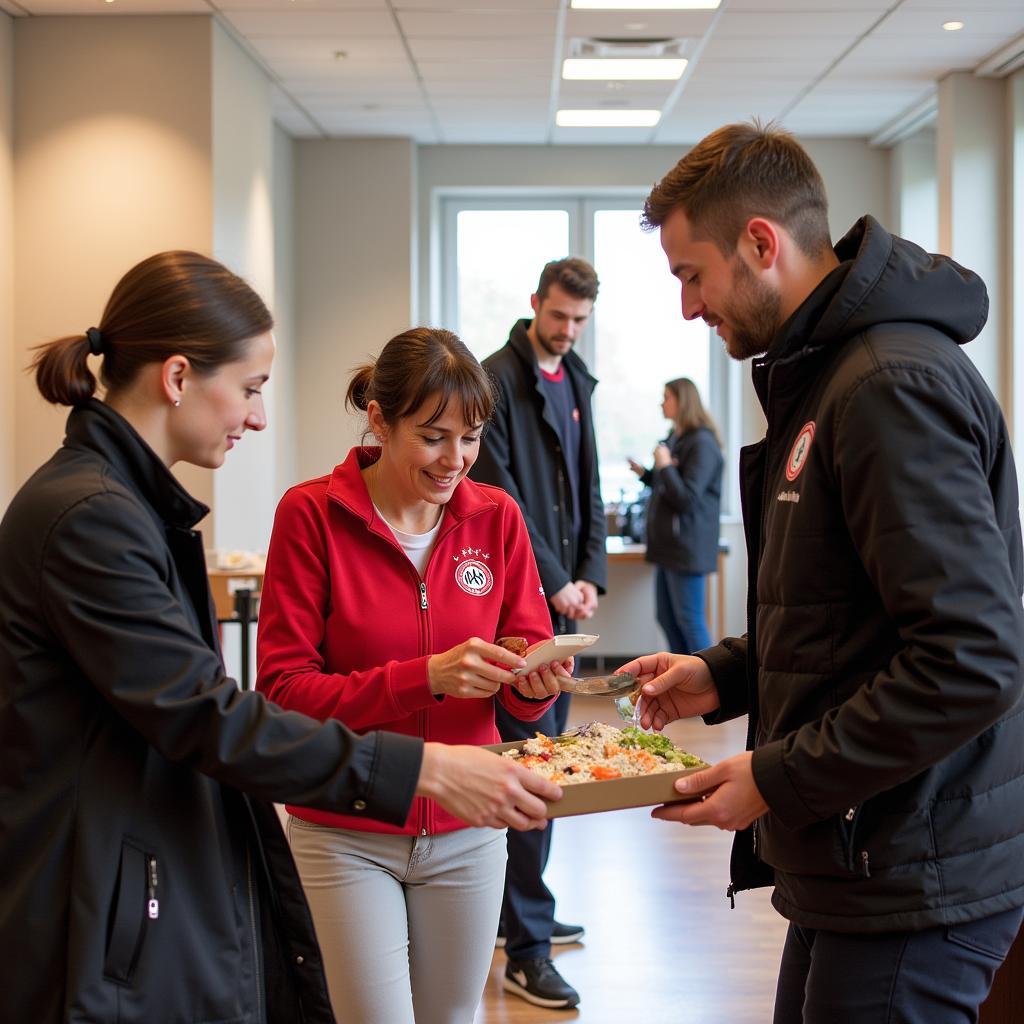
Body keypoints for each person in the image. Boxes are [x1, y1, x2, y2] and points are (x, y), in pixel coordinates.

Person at [0, 252, 562, 1024]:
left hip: (139, 865)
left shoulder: (122, 504)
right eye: (252, 389)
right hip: (110, 873)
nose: (258, 416)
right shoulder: (95, 516)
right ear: (176, 379)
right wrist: (420, 761)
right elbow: (213, 714)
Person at [619, 121, 1024, 1024]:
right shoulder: (829, 376)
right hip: (857, 852)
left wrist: (776, 778)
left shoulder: (886, 385)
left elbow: (971, 660)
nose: (689, 307)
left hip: (914, 862)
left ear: (760, 243)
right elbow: (849, 617)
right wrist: (724, 674)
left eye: (693, 275)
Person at [255, 326, 573, 1024]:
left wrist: (530, 685)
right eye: (433, 436)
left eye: (471, 437)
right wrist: (421, 677)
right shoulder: (310, 515)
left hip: (470, 826)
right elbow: (281, 696)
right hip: (344, 828)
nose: (454, 459)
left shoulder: (499, 518)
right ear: (379, 418)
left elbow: (522, 698)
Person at [470, 256, 608, 1010]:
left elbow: (585, 488)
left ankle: (525, 913)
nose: (568, 331)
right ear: (533, 306)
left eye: (580, 320)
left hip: (561, 594)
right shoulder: (494, 379)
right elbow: (506, 498)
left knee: (544, 759)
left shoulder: (578, 381)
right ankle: (524, 941)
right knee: (526, 768)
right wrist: (555, 579)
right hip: (518, 598)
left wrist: (589, 573)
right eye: (559, 317)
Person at [628, 377, 723, 654]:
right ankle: (683, 680)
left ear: (682, 401)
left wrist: (665, 465)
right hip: (668, 548)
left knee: (690, 621)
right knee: (668, 620)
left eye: (666, 397)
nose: (661, 403)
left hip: (687, 549)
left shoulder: (702, 443)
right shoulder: (675, 438)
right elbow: (668, 487)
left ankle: (710, 684)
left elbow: (687, 498)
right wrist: (647, 474)